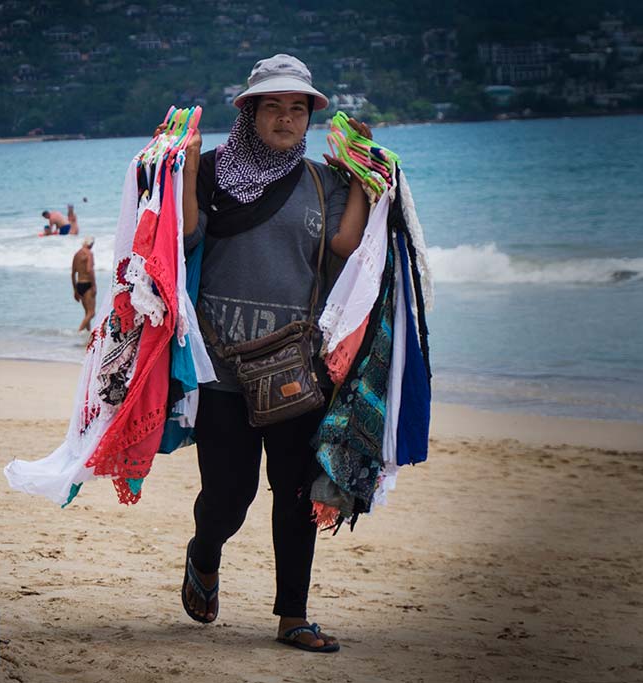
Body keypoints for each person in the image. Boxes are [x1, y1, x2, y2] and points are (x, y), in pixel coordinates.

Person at [172, 54, 372, 654]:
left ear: (309, 117)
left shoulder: (322, 181)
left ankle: (293, 616)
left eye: (297, 108)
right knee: (229, 495)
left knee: (296, 493)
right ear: (250, 112)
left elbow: (346, 246)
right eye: (274, 106)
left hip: (296, 368)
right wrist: (183, 170)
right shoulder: (210, 173)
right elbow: (182, 238)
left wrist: (365, 178)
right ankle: (204, 554)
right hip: (222, 366)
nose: (286, 118)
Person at [71, 236, 97, 331]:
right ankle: (79, 332)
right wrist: (94, 285)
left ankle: (88, 334)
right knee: (91, 312)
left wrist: (75, 290)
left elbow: (73, 273)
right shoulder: (89, 253)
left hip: (79, 285)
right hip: (88, 284)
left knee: (87, 313)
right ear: (90, 244)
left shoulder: (77, 254)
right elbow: (89, 269)